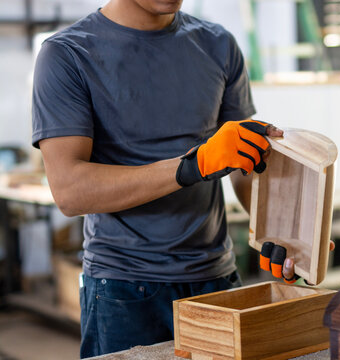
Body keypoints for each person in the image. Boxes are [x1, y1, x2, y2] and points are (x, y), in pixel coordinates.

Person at [31, 0, 302, 357]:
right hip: (125, 291)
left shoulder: (218, 44)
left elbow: (241, 166)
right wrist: (192, 165)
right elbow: (71, 190)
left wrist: (286, 232)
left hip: (217, 279)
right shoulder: (67, 55)